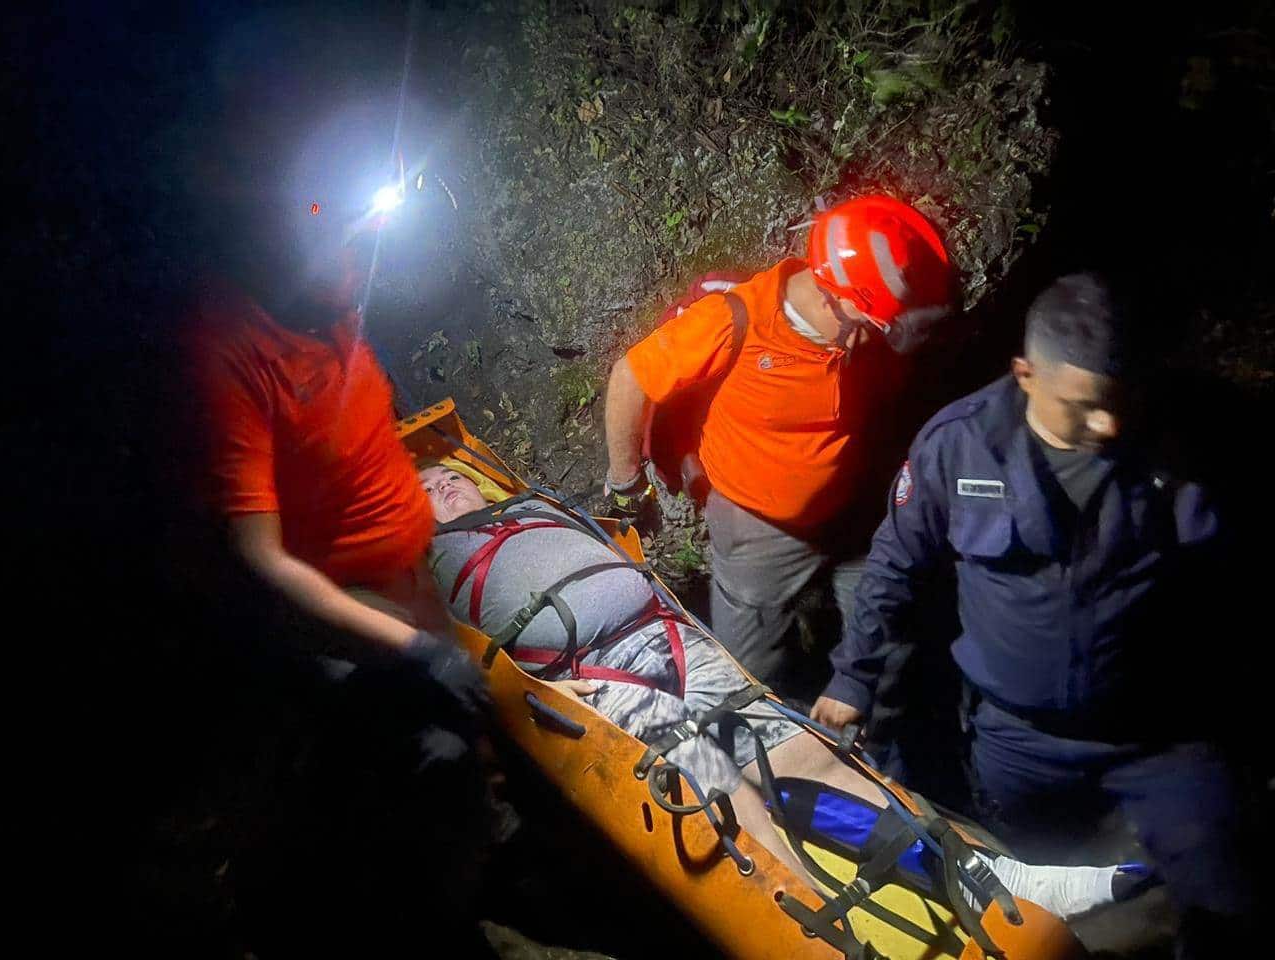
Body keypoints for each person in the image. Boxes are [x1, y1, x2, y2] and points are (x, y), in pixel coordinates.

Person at [419, 462, 1149, 922]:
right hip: (599, 679)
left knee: (810, 755)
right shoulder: (427, 564)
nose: (444, 484)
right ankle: (811, 910)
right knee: (722, 784)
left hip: (672, 641)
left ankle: (1008, 881)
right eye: (425, 488)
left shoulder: (533, 506)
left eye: (448, 475)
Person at [813, 273, 1255, 955]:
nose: (1106, 424)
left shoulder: (1175, 443)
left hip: (1151, 730)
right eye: (1082, 407)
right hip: (1017, 739)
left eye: (1116, 402)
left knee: (1226, 895)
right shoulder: (959, 447)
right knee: (1032, 898)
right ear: (1025, 374)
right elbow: (896, 567)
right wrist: (852, 681)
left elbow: (1229, 580)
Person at [181, 110, 493, 955]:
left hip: (401, 577)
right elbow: (260, 557)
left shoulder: (331, 291)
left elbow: (348, 416)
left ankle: (459, 856)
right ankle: (419, 924)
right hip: (343, 615)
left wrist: (411, 490)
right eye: (342, 257)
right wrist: (409, 648)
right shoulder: (230, 356)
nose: (358, 276)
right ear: (279, 258)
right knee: (418, 759)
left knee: (452, 743)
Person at [602, 195, 956, 690]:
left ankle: (875, 739)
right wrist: (625, 482)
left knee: (887, 647)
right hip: (758, 534)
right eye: (875, 326)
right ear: (845, 300)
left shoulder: (857, 328)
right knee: (755, 684)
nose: (877, 338)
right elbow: (629, 380)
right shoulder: (736, 321)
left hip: (854, 513)